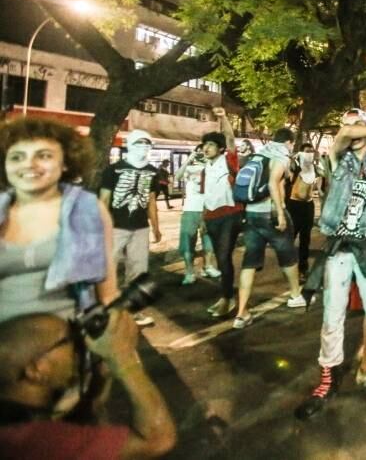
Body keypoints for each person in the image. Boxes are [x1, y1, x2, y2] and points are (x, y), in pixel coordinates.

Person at [296, 55, 366, 421]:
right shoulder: (336, 157)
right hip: (338, 250)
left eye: (355, 121)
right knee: (332, 317)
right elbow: (344, 136)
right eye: (346, 125)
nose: (348, 129)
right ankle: (327, 378)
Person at [0, 311, 176, 459]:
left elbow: (86, 426)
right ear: (36, 369)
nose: (80, 344)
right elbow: (157, 439)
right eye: (69, 339)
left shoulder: (15, 415)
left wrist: (102, 376)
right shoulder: (37, 441)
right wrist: (124, 358)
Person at [0, 118, 117, 323]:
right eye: (17, 157)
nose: (29, 164)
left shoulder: (88, 210)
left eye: (43, 155)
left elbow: (107, 295)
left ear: (65, 163)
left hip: (65, 345)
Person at [234, 128, 305, 329]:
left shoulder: (259, 155)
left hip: (251, 213)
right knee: (287, 254)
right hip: (270, 213)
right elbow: (274, 183)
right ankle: (295, 295)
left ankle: (241, 313)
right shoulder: (280, 156)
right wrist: (281, 213)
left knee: (250, 261)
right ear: (289, 142)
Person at [99, 130, 161, 327]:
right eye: (138, 143)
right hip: (116, 227)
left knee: (139, 270)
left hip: (140, 227)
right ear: (130, 145)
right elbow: (104, 199)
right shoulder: (114, 170)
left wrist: (156, 227)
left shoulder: (152, 171)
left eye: (146, 144)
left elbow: (151, 200)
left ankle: (133, 312)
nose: (143, 147)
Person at [200, 109, 243, 318]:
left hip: (230, 216)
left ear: (220, 148)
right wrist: (202, 220)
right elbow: (205, 196)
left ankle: (228, 299)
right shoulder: (205, 168)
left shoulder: (228, 161)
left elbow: (231, 138)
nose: (205, 149)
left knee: (224, 257)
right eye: (204, 145)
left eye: (210, 145)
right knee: (220, 259)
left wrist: (224, 117)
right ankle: (225, 296)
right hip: (211, 218)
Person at [175, 145, 220, 285]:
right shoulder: (189, 168)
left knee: (209, 240)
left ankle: (208, 266)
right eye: (199, 151)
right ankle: (189, 272)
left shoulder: (212, 167)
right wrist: (190, 158)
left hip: (208, 208)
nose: (202, 153)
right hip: (190, 209)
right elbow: (177, 176)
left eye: (205, 150)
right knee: (188, 241)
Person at [287, 142, 319, 276]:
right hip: (294, 206)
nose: (309, 154)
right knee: (290, 238)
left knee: (305, 239)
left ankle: (302, 268)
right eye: (307, 151)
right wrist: (293, 157)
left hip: (308, 206)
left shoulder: (314, 168)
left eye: (311, 151)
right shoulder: (295, 166)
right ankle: (288, 267)